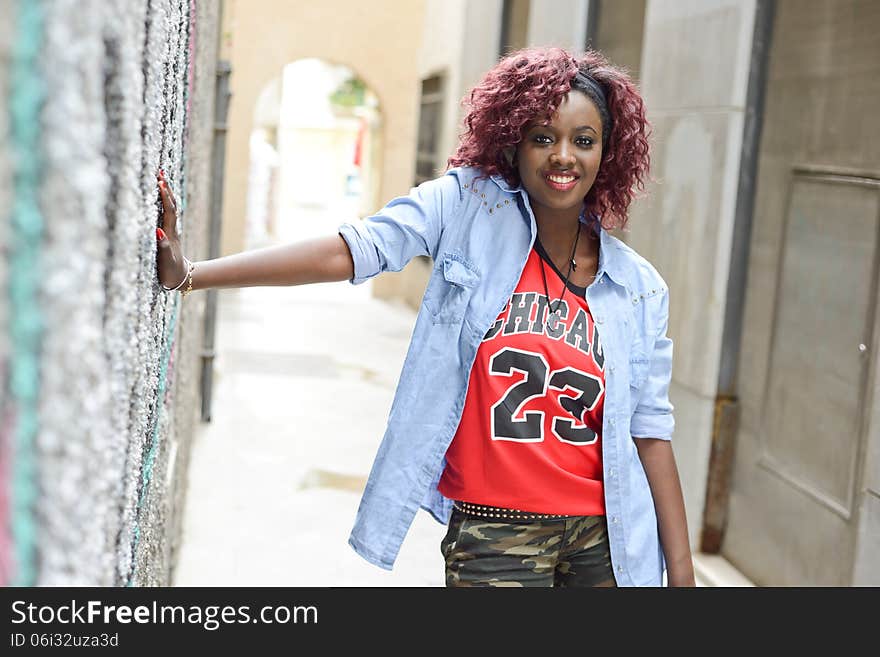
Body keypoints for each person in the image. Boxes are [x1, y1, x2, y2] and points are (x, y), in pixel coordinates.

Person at [156, 46, 695, 587]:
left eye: (584, 140)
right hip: (495, 534)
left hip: (607, 539)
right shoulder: (465, 208)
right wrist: (192, 274)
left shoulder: (637, 287)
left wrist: (683, 578)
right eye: (542, 137)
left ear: (607, 153)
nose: (563, 156)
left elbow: (650, 431)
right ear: (513, 143)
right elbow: (353, 249)